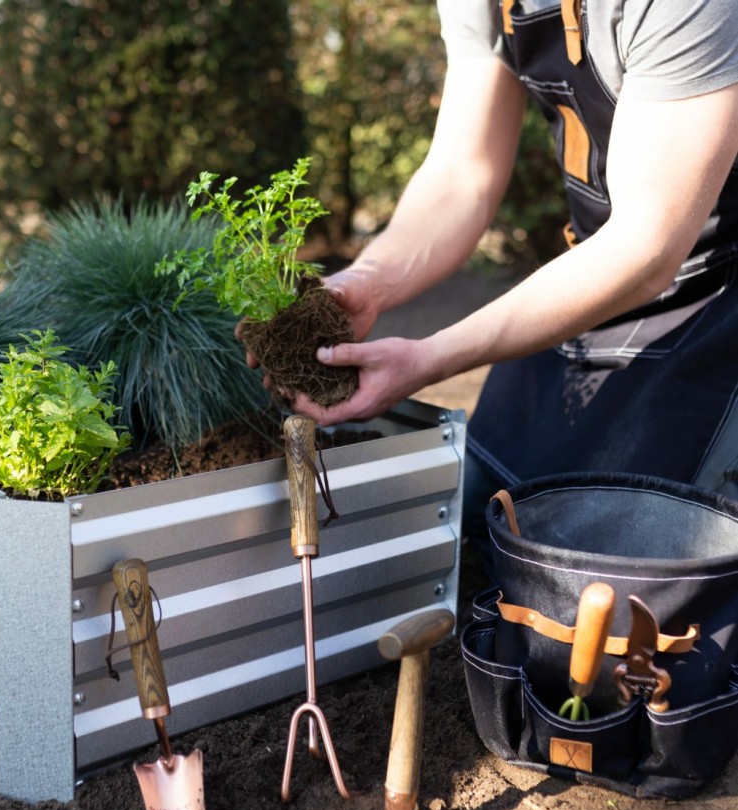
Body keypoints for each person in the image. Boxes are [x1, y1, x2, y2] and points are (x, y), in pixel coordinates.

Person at [276, 0, 738, 545]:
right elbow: (462, 175)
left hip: (717, 295)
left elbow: (649, 243)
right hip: (597, 276)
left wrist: (430, 358)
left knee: (635, 548)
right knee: (487, 510)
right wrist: (368, 279)